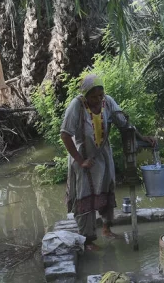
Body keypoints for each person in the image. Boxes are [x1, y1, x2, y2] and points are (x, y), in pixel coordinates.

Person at [61, 74, 155, 251]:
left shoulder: (108, 102)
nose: (97, 99)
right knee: (85, 196)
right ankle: (87, 240)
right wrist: (80, 161)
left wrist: (142, 137)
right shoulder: (77, 105)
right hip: (83, 156)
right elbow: (65, 134)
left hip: (103, 155)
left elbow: (124, 124)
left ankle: (106, 228)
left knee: (106, 189)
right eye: (93, 96)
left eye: (100, 95)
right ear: (85, 94)